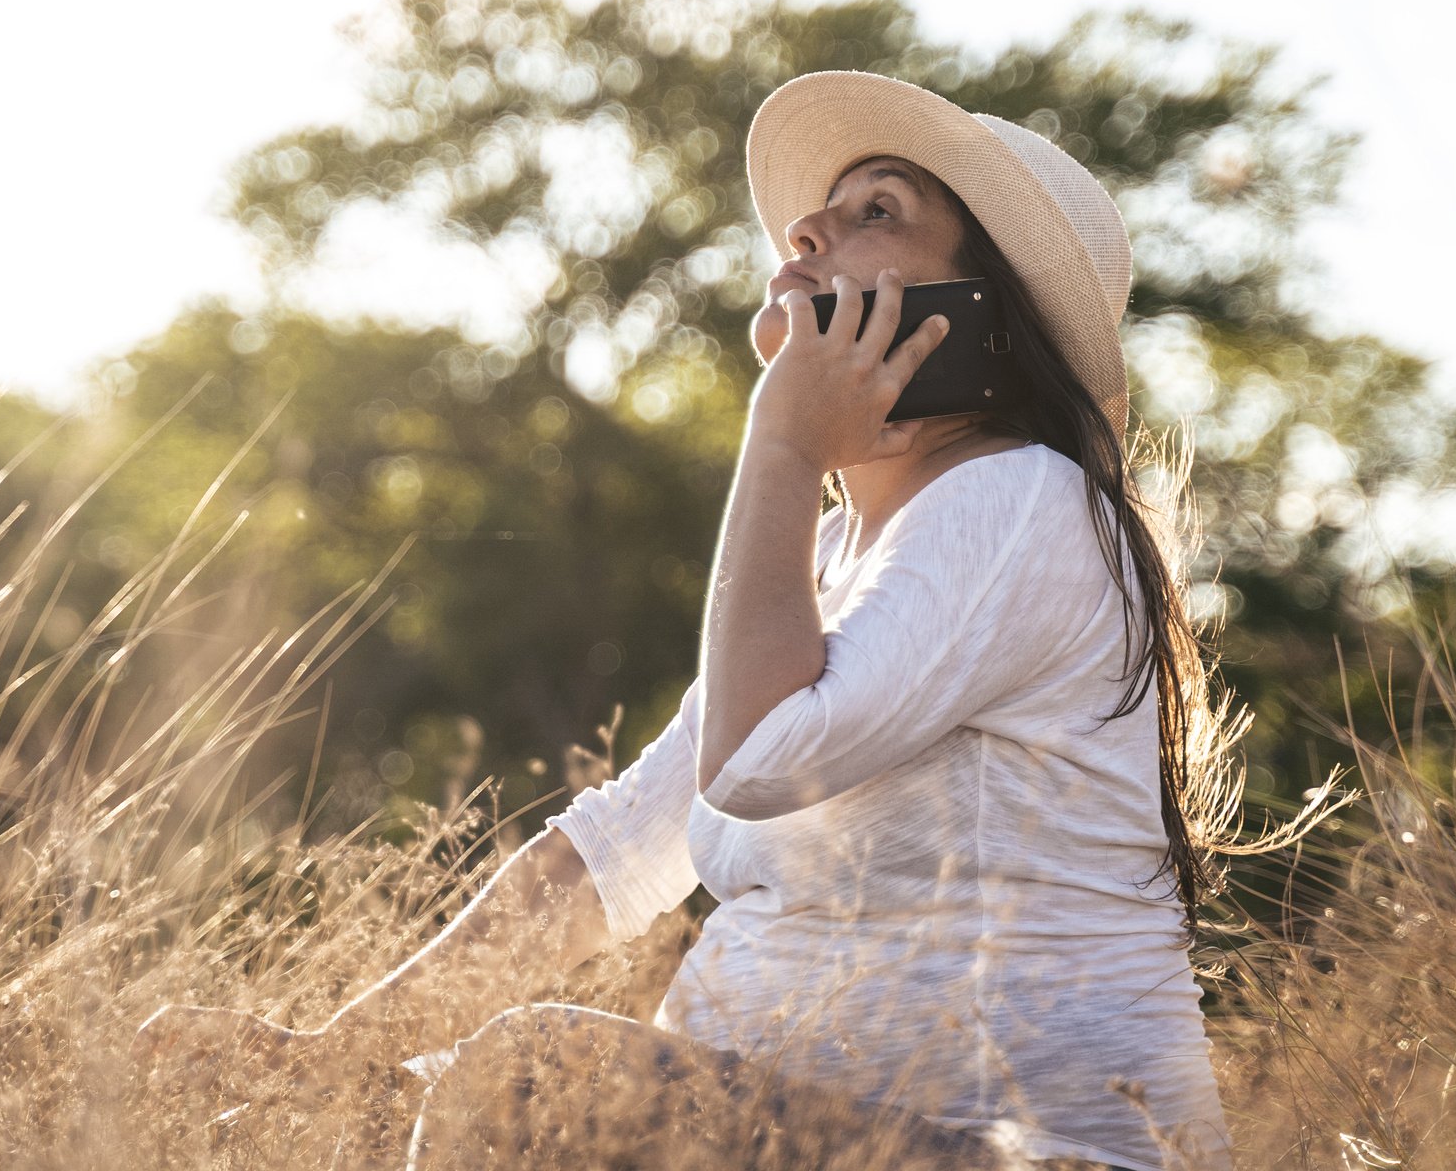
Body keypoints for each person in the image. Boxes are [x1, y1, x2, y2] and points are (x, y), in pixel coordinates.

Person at [138, 70, 1270, 1170]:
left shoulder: (1023, 498)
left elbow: (759, 761)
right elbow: (614, 853)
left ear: (982, 326)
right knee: (350, 1104)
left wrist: (782, 444)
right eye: (819, 210)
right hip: (794, 1129)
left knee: (534, 1080)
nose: (810, 229)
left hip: (1045, 1154)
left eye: (879, 212)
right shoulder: (831, 560)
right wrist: (333, 1062)